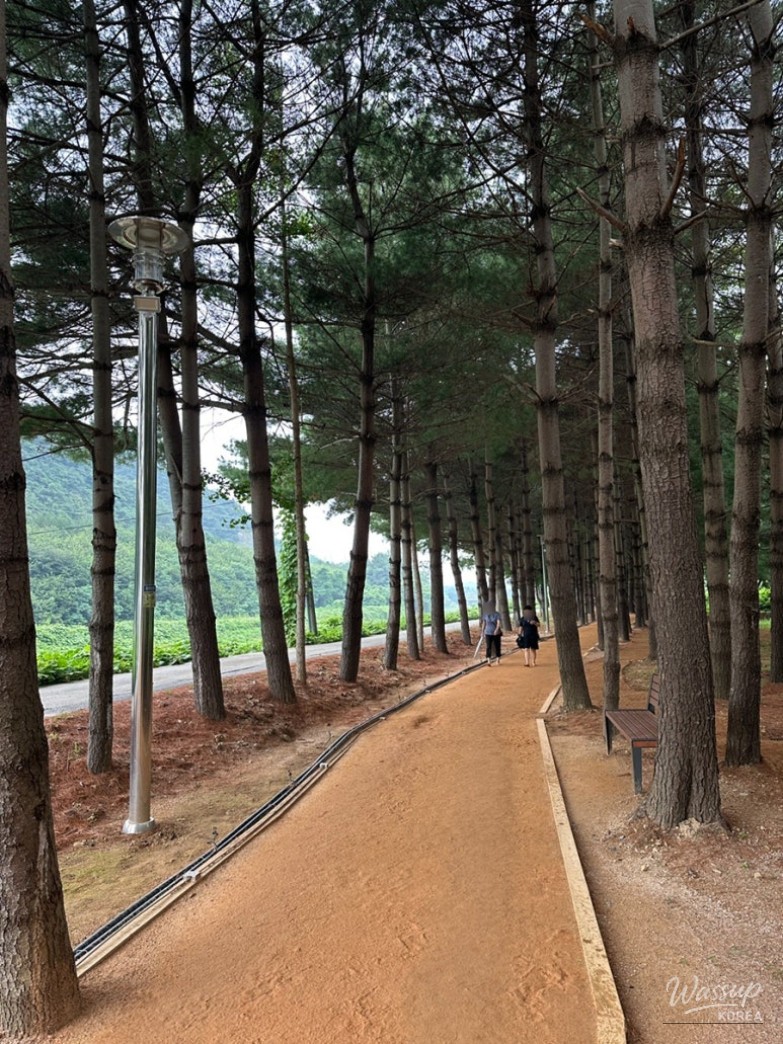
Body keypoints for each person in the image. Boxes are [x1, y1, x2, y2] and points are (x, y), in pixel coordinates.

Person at [482, 599, 503, 665]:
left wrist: (496, 630)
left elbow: (498, 623)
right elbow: (484, 623)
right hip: (488, 632)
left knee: (497, 646)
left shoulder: (497, 614)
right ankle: (488, 660)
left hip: (496, 633)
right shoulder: (485, 614)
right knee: (488, 646)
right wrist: (482, 631)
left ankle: (498, 659)